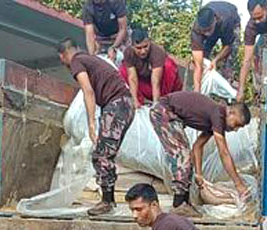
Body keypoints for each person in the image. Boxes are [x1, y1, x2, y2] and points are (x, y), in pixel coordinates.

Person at [59, 38, 135, 216]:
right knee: (106, 153)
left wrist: (91, 123)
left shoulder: (77, 61)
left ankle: (107, 202)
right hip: (125, 104)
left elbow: (88, 91)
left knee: (101, 154)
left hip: (117, 104)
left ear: (63, 55)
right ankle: (109, 200)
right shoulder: (90, 59)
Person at [148, 90, 252, 217]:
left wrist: (199, 174)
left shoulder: (214, 119)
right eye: (236, 124)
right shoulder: (218, 114)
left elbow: (197, 147)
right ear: (231, 112)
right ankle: (178, 204)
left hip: (171, 115)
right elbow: (223, 152)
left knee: (186, 155)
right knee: (182, 156)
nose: (235, 130)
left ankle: (184, 203)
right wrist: (239, 184)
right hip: (163, 111)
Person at [121, 27, 184, 107]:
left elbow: (156, 81)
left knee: (169, 66)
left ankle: (165, 99)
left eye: (145, 46)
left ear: (149, 42)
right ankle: (139, 101)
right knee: (122, 70)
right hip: (143, 81)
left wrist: (155, 105)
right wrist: (134, 99)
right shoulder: (128, 52)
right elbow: (132, 78)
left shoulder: (157, 52)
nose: (143, 51)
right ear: (132, 46)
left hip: (161, 84)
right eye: (139, 48)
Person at [191, 2, 242, 91]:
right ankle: (203, 87)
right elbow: (198, 64)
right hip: (214, 28)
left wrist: (216, 60)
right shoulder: (196, 30)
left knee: (229, 60)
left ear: (215, 20)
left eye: (208, 30)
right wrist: (197, 91)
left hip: (231, 22)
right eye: (204, 31)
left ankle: (226, 89)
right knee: (203, 60)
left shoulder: (227, 20)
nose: (206, 33)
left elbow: (228, 46)